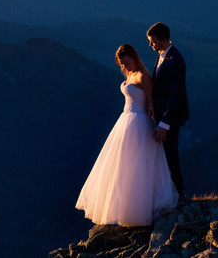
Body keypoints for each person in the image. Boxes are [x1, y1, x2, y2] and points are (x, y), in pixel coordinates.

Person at [75, 44, 178, 226]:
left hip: (138, 122)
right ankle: (122, 208)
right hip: (125, 120)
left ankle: (138, 210)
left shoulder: (143, 76)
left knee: (138, 166)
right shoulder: (130, 75)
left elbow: (152, 103)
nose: (125, 67)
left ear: (134, 58)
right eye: (122, 64)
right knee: (122, 165)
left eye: (127, 63)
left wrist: (157, 126)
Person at [147, 22, 189, 197]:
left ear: (164, 40)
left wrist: (164, 123)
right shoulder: (163, 56)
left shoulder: (175, 61)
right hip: (161, 115)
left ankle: (179, 192)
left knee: (170, 154)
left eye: (153, 41)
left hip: (170, 118)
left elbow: (176, 96)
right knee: (164, 155)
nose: (151, 45)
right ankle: (168, 192)